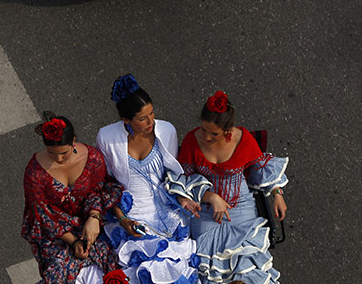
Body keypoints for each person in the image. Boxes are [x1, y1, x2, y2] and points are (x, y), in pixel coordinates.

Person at [172, 90, 289, 284]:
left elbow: (259, 167)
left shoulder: (243, 140)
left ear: (228, 130)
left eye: (214, 133)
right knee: (211, 271)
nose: (207, 137)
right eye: (203, 129)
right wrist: (210, 196)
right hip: (205, 210)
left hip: (240, 207)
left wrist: (277, 192)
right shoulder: (192, 141)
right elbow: (182, 178)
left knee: (246, 265)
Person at [96, 74, 201, 284]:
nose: (151, 121)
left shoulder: (166, 130)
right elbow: (106, 185)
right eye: (143, 118)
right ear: (126, 120)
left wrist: (182, 198)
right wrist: (122, 218)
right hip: (132, 215)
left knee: (175, 271)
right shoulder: (107, 138)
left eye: (152, 113)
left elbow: (172, 174)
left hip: (169, 212)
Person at [21, 112, 124, 284]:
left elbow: (99, 191)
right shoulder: (34, 173)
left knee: (113, 267)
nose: (58, 159)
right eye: (51, 153)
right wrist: (74, 241)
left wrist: (94, 217)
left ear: (73, 141)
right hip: (57, 234)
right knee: (57, 274)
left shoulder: (92, 158)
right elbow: (44, 216)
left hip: (90, 224)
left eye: (63, 152)